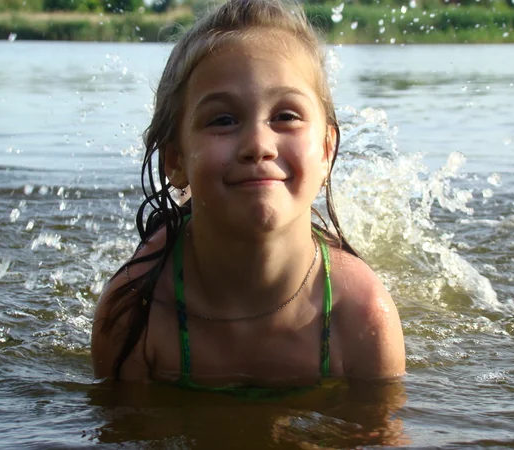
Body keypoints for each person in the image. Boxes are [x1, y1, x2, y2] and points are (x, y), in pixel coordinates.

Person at [91, 0, 405, 393]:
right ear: (176, 160)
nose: (258, 145)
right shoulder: (136, 312)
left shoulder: (361, 316)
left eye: (286, 116)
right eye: (223, 120)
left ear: (326, 150)